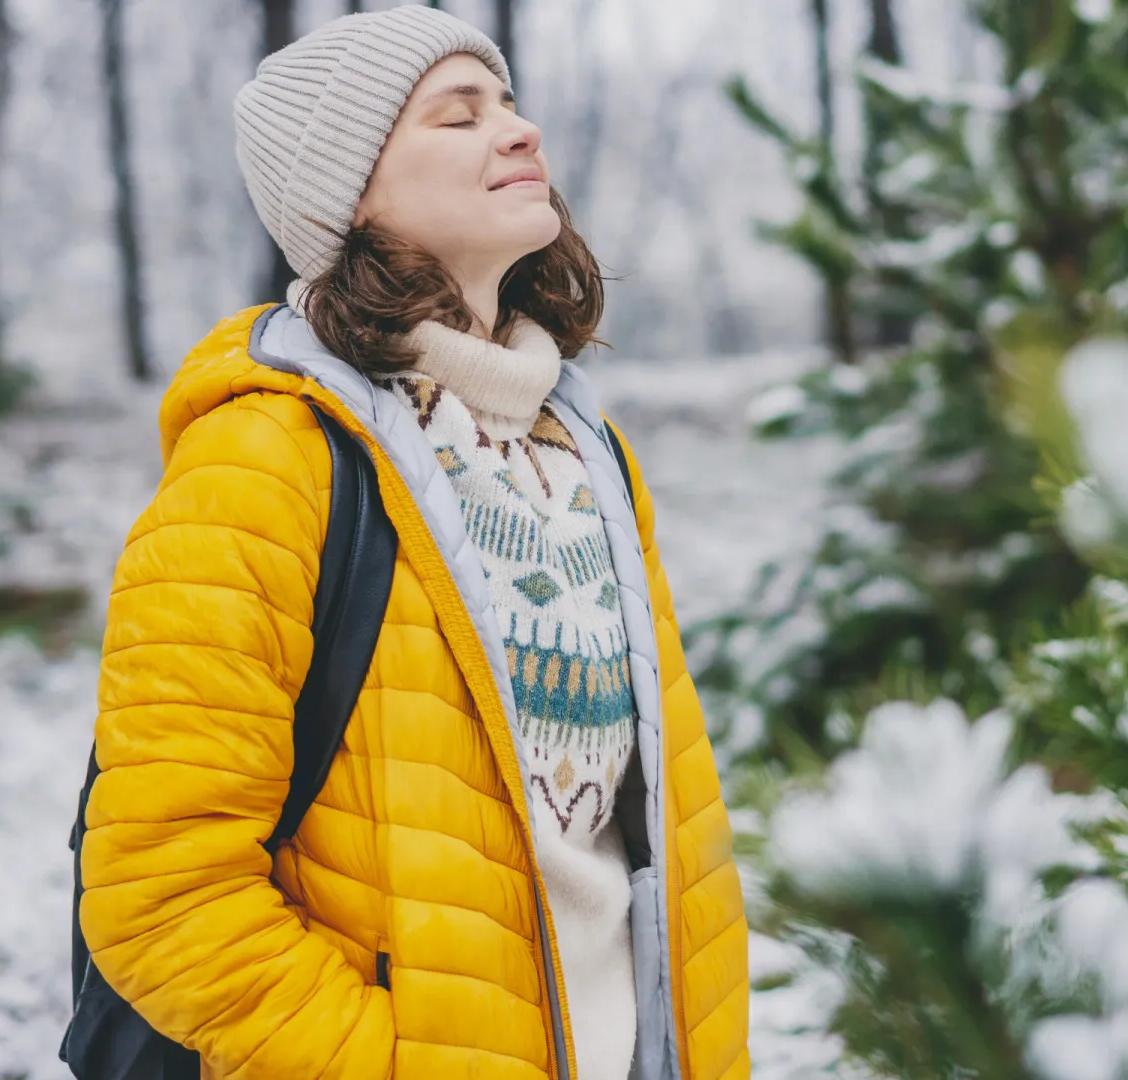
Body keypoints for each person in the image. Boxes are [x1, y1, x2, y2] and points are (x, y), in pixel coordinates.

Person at [74, 6, 749, 1080]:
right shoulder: (265, 458)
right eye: (459, 115)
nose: (521, 132)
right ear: (351, 195)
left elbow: (643, 838)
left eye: (513, 105)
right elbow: (160, 887)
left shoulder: (585, 453)